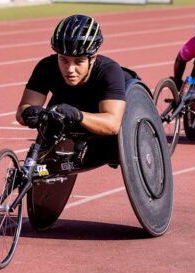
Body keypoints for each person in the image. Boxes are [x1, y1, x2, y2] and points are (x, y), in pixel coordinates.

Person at [16, 14, 130, 166]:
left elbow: (112, 124)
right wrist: (30, 112)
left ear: (93, 58)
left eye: (79, 61)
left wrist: (78, 115)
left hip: (104, 124)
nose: (70, 69)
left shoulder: (109, 71)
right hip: (65, 110)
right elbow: (23, 109)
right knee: (50, 119)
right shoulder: (46, 67)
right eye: (63, 59)